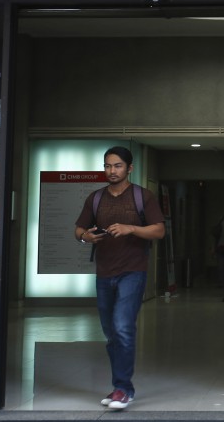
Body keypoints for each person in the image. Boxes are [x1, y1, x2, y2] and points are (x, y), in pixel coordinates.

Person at [73, 146, 165, 410]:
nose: (111, 171)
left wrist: (131, 228)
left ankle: (122, 388)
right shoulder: (95, 198)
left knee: (123, 326)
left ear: (129, 168)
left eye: (117, 166)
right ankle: (120, 388)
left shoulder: (142, 196)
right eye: (107, 166)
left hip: (133, 271)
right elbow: (78, 229)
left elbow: (159, 231)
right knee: (111, 333)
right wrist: (85, 237)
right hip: (104, 273)